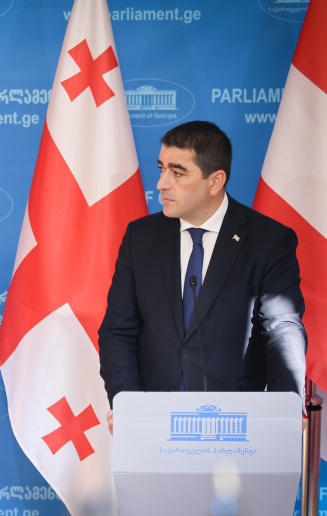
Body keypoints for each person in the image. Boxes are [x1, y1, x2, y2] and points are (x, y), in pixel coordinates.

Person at [98, 121, 306, 432]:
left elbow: (281, 330)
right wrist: (126, 403)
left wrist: (285, 407)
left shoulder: (269, 241)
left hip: (236, 423)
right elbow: (118, 331)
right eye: (162, 169)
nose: (161, 184)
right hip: (153, 418)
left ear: (215, 181)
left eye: (178, 173)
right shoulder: (140, 237)